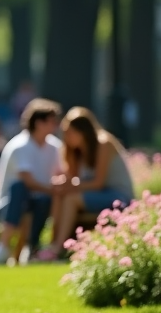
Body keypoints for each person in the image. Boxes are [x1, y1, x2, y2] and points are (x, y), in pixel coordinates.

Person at [35, 107, 134, 261]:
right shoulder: (76, 152)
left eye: (69, 132)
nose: (66, 137)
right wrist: (63, 184)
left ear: (82, 131)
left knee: (71, 198)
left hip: (117, 195)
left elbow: (98, 183)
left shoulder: (103, 143)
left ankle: (57, 248)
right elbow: (75, 180)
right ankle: (52, 242)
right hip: (96, 194)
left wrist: (71, 186)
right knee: (61, 194)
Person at [0, 98, 63, 266]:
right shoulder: (20, 146)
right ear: (39, 123)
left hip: (40, 202)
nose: (55, 126)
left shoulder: (55, 147)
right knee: (19, 188)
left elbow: (61, 173)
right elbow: (28, 181)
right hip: (8, 206)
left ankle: (33, 249)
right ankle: (3, 246)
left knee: (43, 200)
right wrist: (53, 189)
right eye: (51, 121)